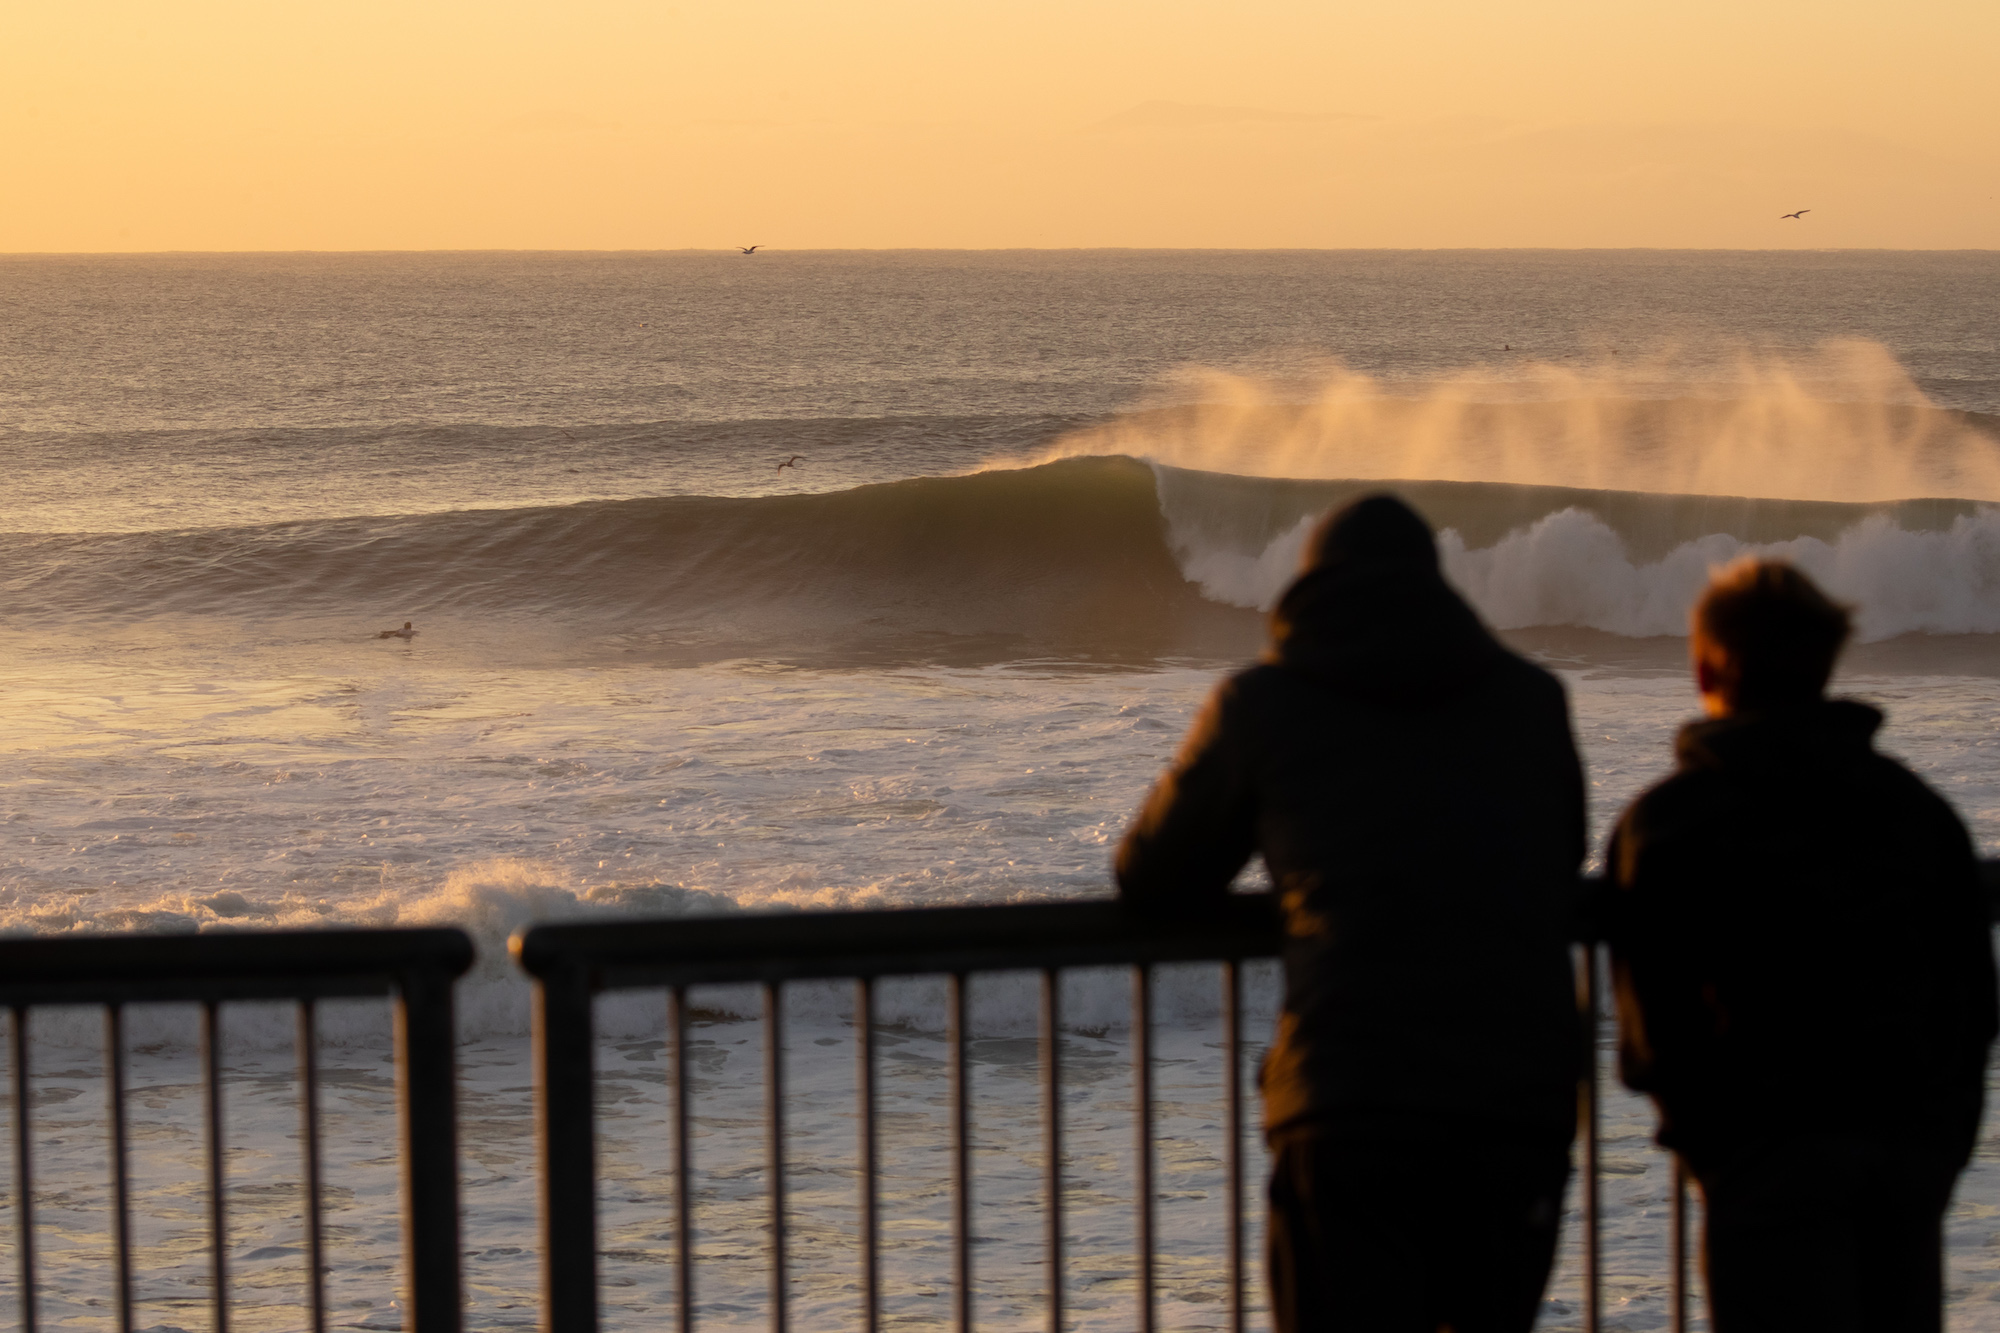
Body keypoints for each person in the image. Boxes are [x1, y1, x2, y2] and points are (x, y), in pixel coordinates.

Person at [1117, 493, 1586, 1333]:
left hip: (1350, 1101)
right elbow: (1557, 858)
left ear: (1307, 589)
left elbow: (1152, 875)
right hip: (1515, 1111)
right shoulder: (1531, 699)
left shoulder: (1264, 703)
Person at [1606, 557, 1996, 1332]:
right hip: (1900, 1166)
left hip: (1761, 1166)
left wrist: (1713, 1149)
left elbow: (1652, 1020)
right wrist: (1936, 1150)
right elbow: (1973, 999)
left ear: (1704, 666)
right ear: (1828, 662)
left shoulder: (1671, 822)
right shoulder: (1916, 812)